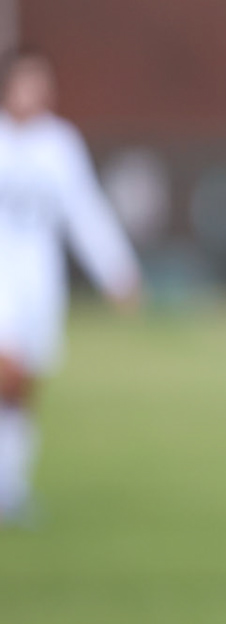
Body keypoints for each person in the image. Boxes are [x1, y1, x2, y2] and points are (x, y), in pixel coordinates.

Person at [0, 50, 142, 524]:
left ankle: (10, 486)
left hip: (38, 276)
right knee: (8, 370)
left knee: (23, 388)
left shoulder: (60, 144)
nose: (36, 93)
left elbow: (85, 211)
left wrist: (116, 271)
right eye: (26, 82)